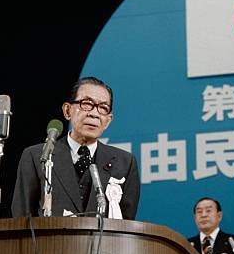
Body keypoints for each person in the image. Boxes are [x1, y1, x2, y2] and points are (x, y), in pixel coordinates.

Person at [11, 77, 140, 219]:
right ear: (67, 111)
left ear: (108, 121)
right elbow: (21, 217)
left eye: (103, 108)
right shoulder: (36, 156)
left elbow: (127, 226)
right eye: (86, 104)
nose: (94, 113)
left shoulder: (125, 163)